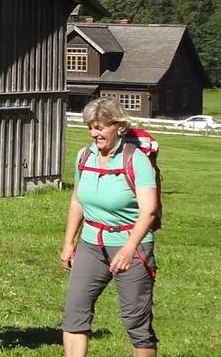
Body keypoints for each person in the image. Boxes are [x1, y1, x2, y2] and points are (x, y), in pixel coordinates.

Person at [61, 98, 158, 357]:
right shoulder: (84, 156)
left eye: (101, 127)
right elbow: (77, 200)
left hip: (131, 246)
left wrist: (128, 249)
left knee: (136, 323)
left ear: (119, 126)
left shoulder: (136, 160)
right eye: (91, 127)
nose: (95, 133)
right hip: (91, 245)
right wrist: (69, 242)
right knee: (74, 314)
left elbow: (148, 211)